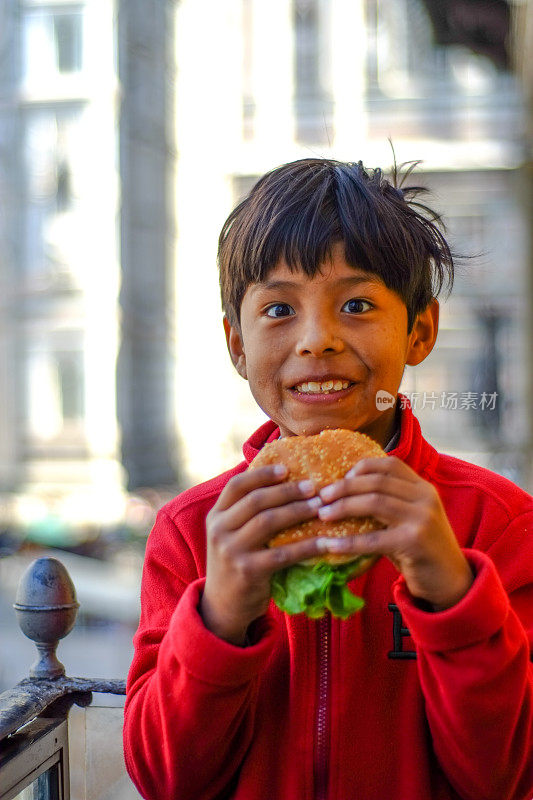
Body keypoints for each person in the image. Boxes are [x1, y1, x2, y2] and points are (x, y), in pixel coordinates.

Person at [123, 158, 533, 800]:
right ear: (237, 345)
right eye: (280, 308)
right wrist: (222, 611)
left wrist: (452, 593)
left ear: (419, 331)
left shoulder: (499, 523)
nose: (318, 339)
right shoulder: (192, 531)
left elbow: (503, 775)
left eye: (358, 304)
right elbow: (166, 779)